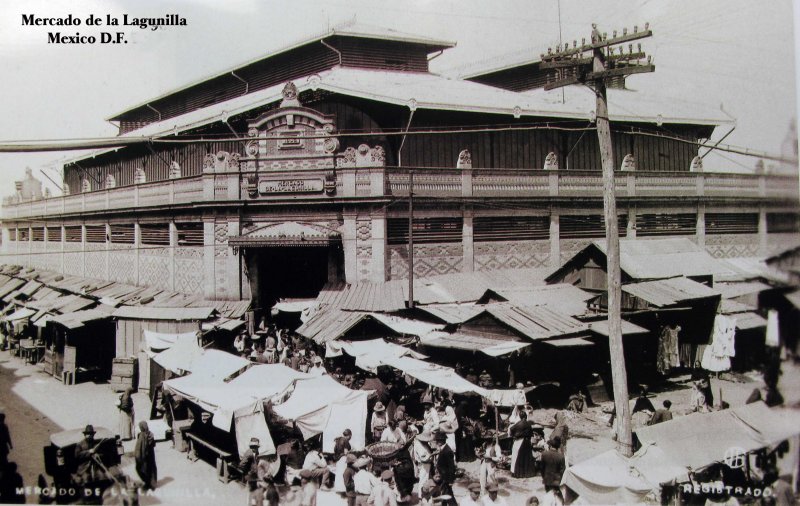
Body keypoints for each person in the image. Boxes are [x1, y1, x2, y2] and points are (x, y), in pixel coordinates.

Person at [508, 410, 536, 478]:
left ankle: (517, 473)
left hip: (519, 441)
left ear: (520, 417)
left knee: (517, 457)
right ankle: (527, 473)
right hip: (527, 442)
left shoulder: (518, 424)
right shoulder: (528, 424)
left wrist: (514, 435)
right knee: (527, 458)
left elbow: (511, 429)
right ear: (526, 416)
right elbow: (531, 434)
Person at [434, 432, 456, 503]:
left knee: (448, 496)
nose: (436, 442)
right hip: (443, 476)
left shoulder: (447, 451)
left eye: (438, 440)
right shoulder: (443, 449)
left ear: (442, 441)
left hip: (446, 478)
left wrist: (450, 481)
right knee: (445, 494)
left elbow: (451, 467)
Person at [135, 420, 157, 490]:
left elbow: (139, 448)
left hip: (145, 456)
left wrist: (138, 456)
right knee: (151, 468)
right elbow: (153, 444)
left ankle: (148, 484)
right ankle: (152, 483)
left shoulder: (141, 435)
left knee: (143, 469)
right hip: (151, 455)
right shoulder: (150, 434)